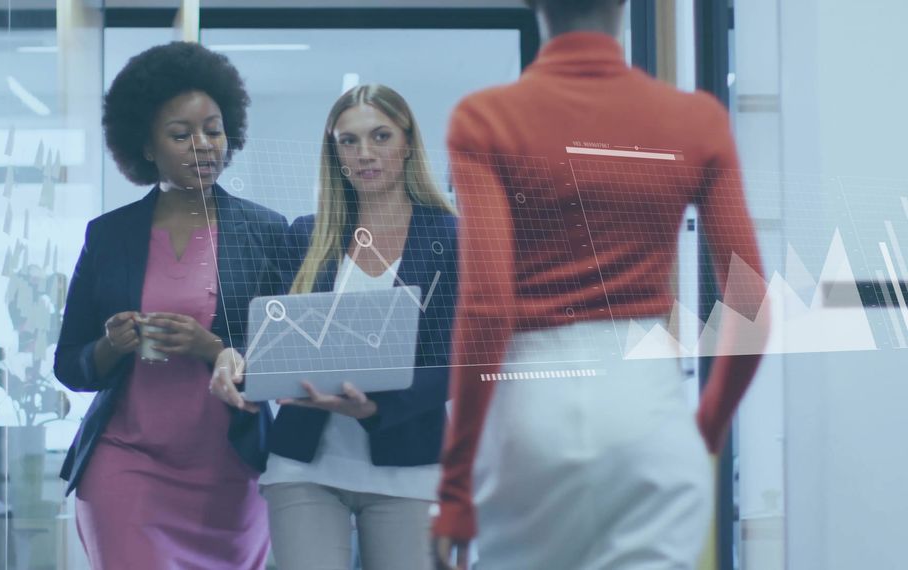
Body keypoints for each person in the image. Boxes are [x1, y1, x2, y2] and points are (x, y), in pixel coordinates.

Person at [432, 1, 769, 568]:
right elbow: (751, 306)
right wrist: (704, 430)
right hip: (646, 403)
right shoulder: (697, 120)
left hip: (528, 409)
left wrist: (455, 488)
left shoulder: (485, 117)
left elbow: (487, 309)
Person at [53, 42, 287, 570]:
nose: (203, 145)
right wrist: (112, 346)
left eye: (214, 129)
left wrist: (213, 348)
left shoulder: (267, 233)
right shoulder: (109, 236)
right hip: (125, 462)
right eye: (181, 135)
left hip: (230, 473)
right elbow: (70, 364)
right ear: (147, 145)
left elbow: (288, 363)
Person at [213, 84, 457, 570]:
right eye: (348, 141)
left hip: (409, 465)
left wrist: (373, 408)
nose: (364, 153)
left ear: (408, 143)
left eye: (380, 136)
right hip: (305, 465)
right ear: (334, 152)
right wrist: (231, 356)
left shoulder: (451, 238)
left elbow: (456, 357)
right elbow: (258, 331)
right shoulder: (305, 235)